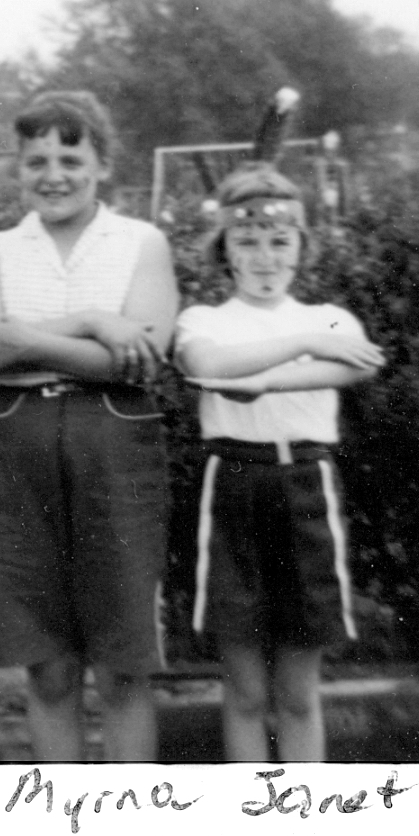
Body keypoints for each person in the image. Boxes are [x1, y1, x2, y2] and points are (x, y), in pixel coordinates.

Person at [0, 91, 180, 761]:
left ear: (103, 164)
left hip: (113, 449)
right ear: (18, 168)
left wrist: (21, 343)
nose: (52, 173)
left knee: (121, 664)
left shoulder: (141, 243)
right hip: (16, 451)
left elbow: (142, 361)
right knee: (48, 665)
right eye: (36, 159)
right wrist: (91, 324)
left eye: (69, 156)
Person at [172, 164, 387, 762]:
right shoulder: (205, 319)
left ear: (301, 247)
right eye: (247, 242)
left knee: (297, 692)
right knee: (244, 690)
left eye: (279, 241)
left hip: (306, 487)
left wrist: (261, 381)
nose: (264, 258)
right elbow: (207, 363)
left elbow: (358, 364)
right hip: (233, 486)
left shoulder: (333, 317)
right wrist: (301, 346)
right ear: (226, 251)